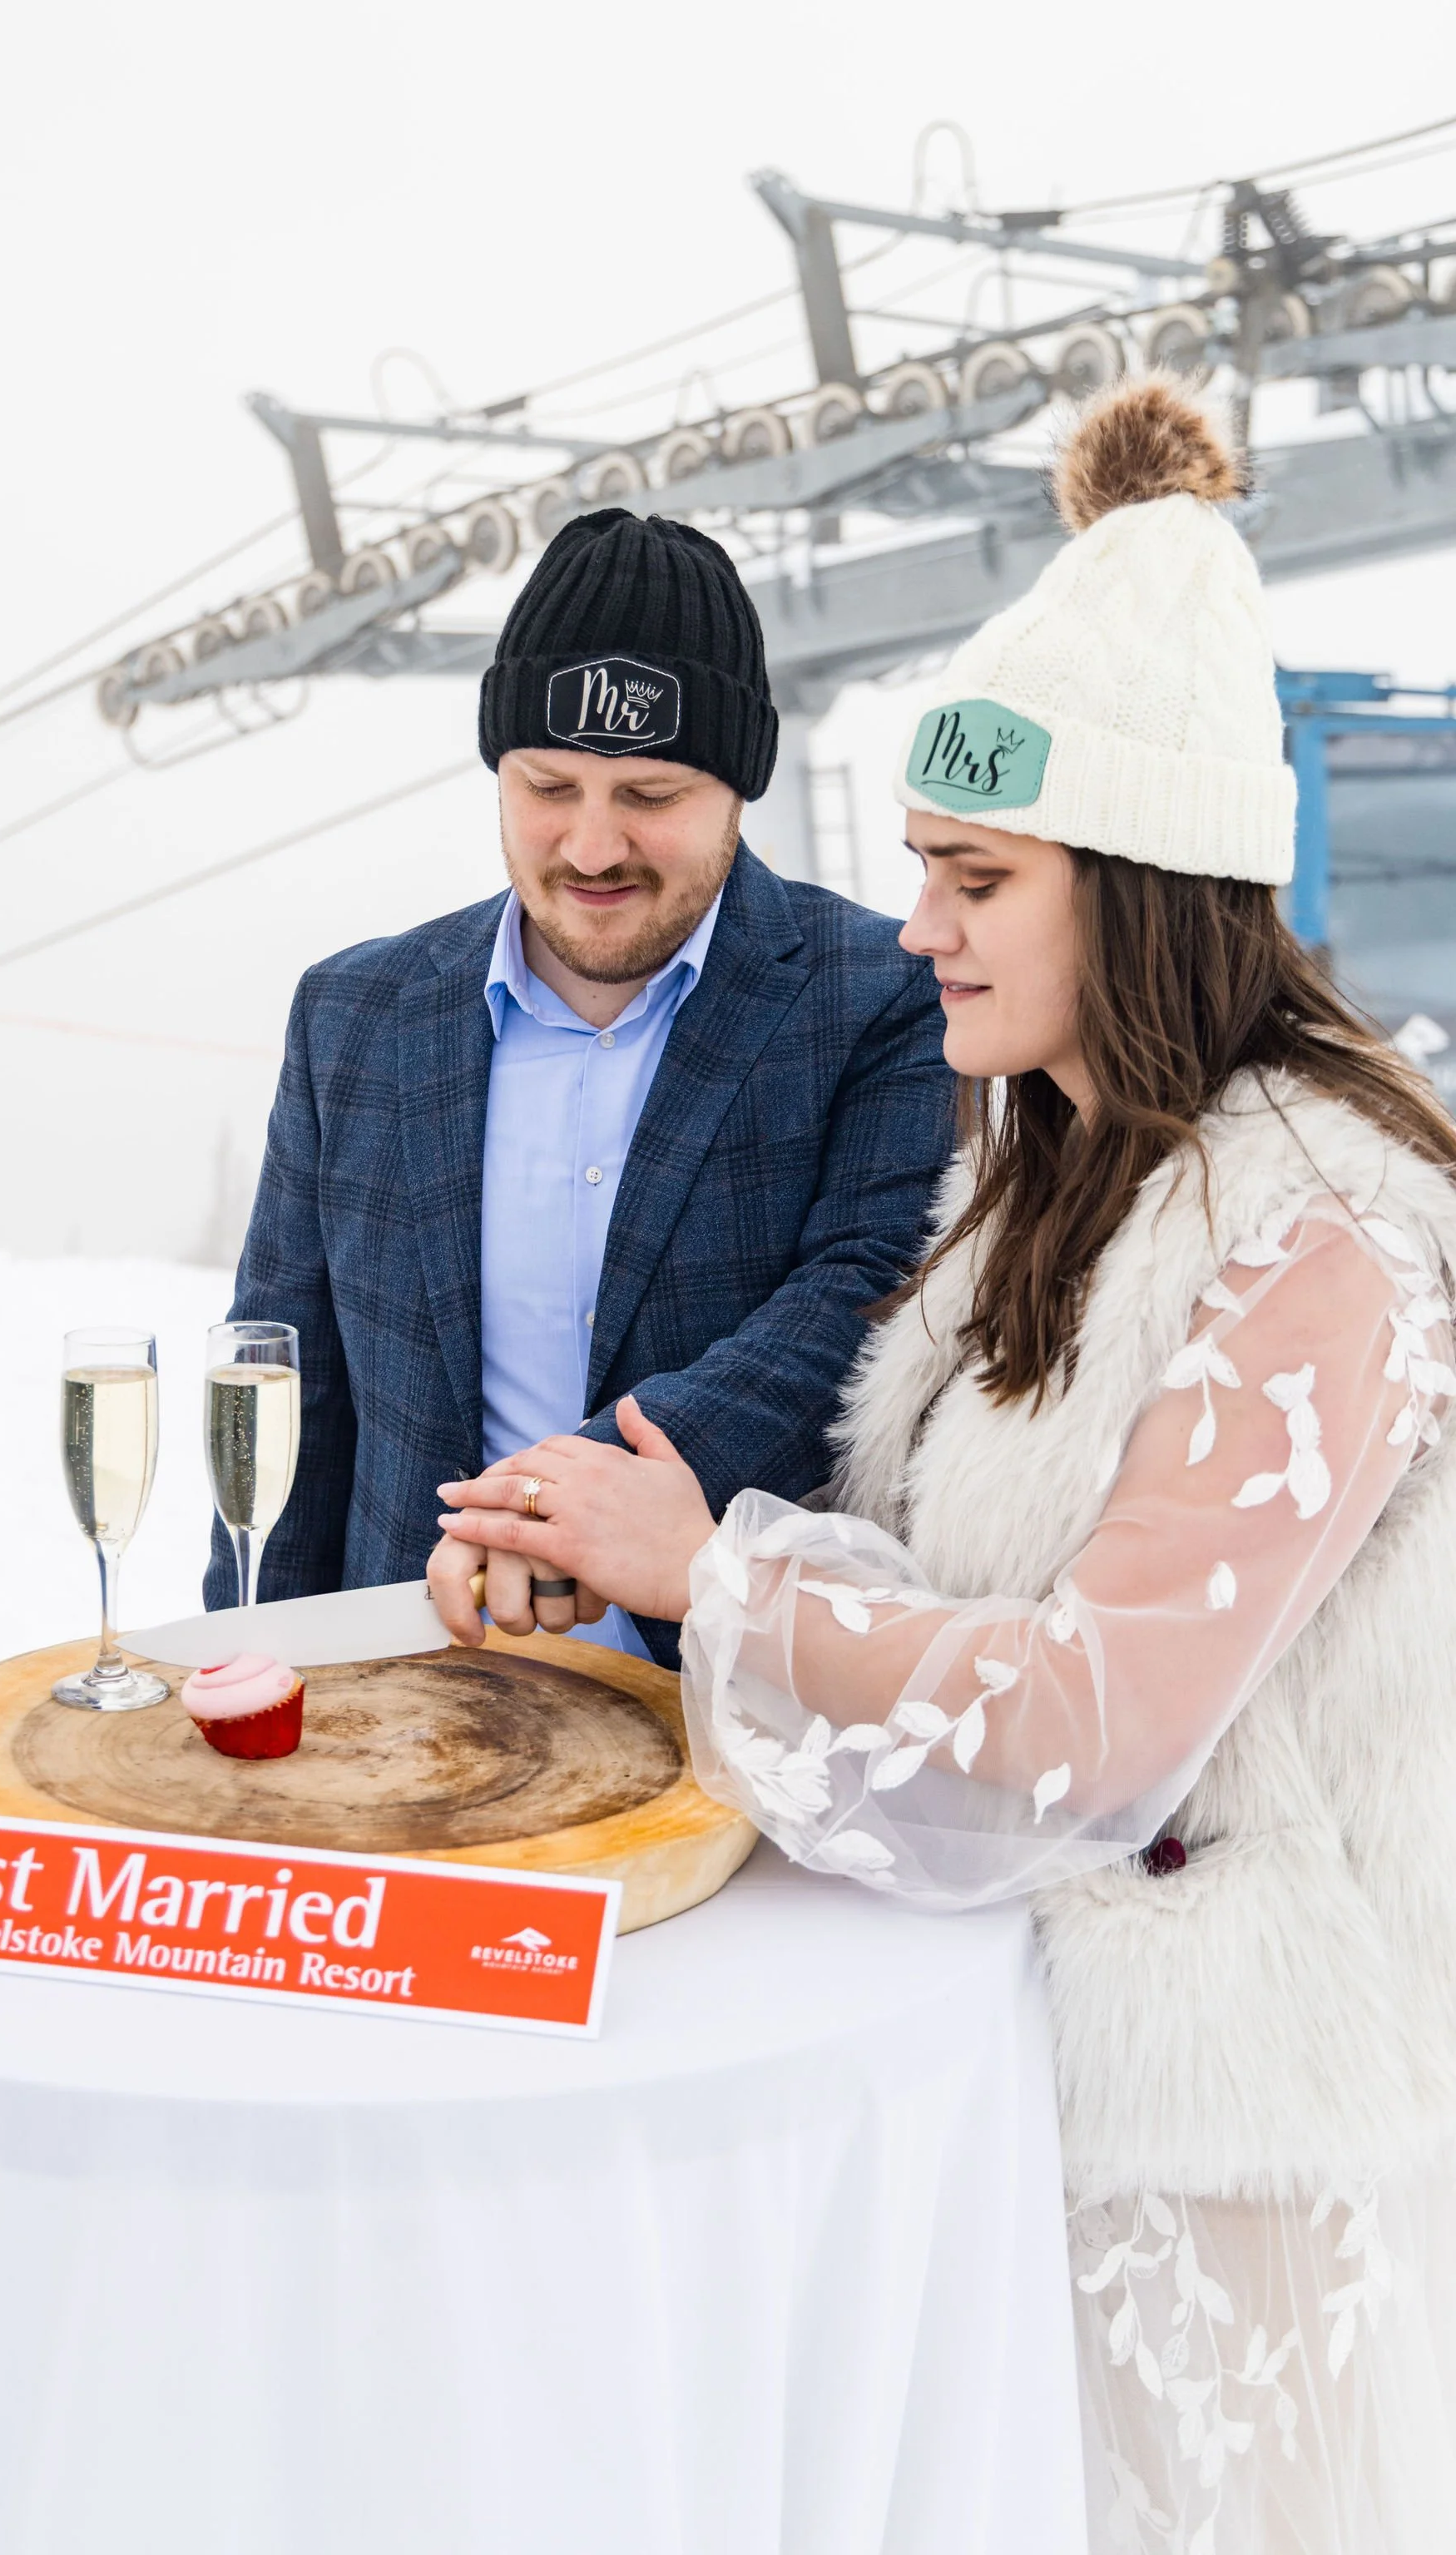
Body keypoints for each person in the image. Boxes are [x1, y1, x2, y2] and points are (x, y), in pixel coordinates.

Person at [436, 382, 1456, 2549]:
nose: (920, 927)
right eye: (921, 868)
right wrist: (631, 1542)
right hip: (1008, 2084)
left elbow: (1098, 1723)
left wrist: (713, 1578)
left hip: (1234, 2169)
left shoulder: (1328, 1224)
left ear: (1145, 887)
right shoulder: (1049, 1182)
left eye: (978, 875)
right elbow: (945, 1567)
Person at [206, 507, 953, 1666]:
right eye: (549, 786)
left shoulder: (875, 997)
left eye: (650, 798)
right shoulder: (353, 1016)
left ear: (739, 787)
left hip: (734, 1726)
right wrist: (247, 1675)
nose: (593, 849)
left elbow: (861, 1297)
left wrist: (564, 1500)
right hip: (415, 1717)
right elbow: (287, 1377)